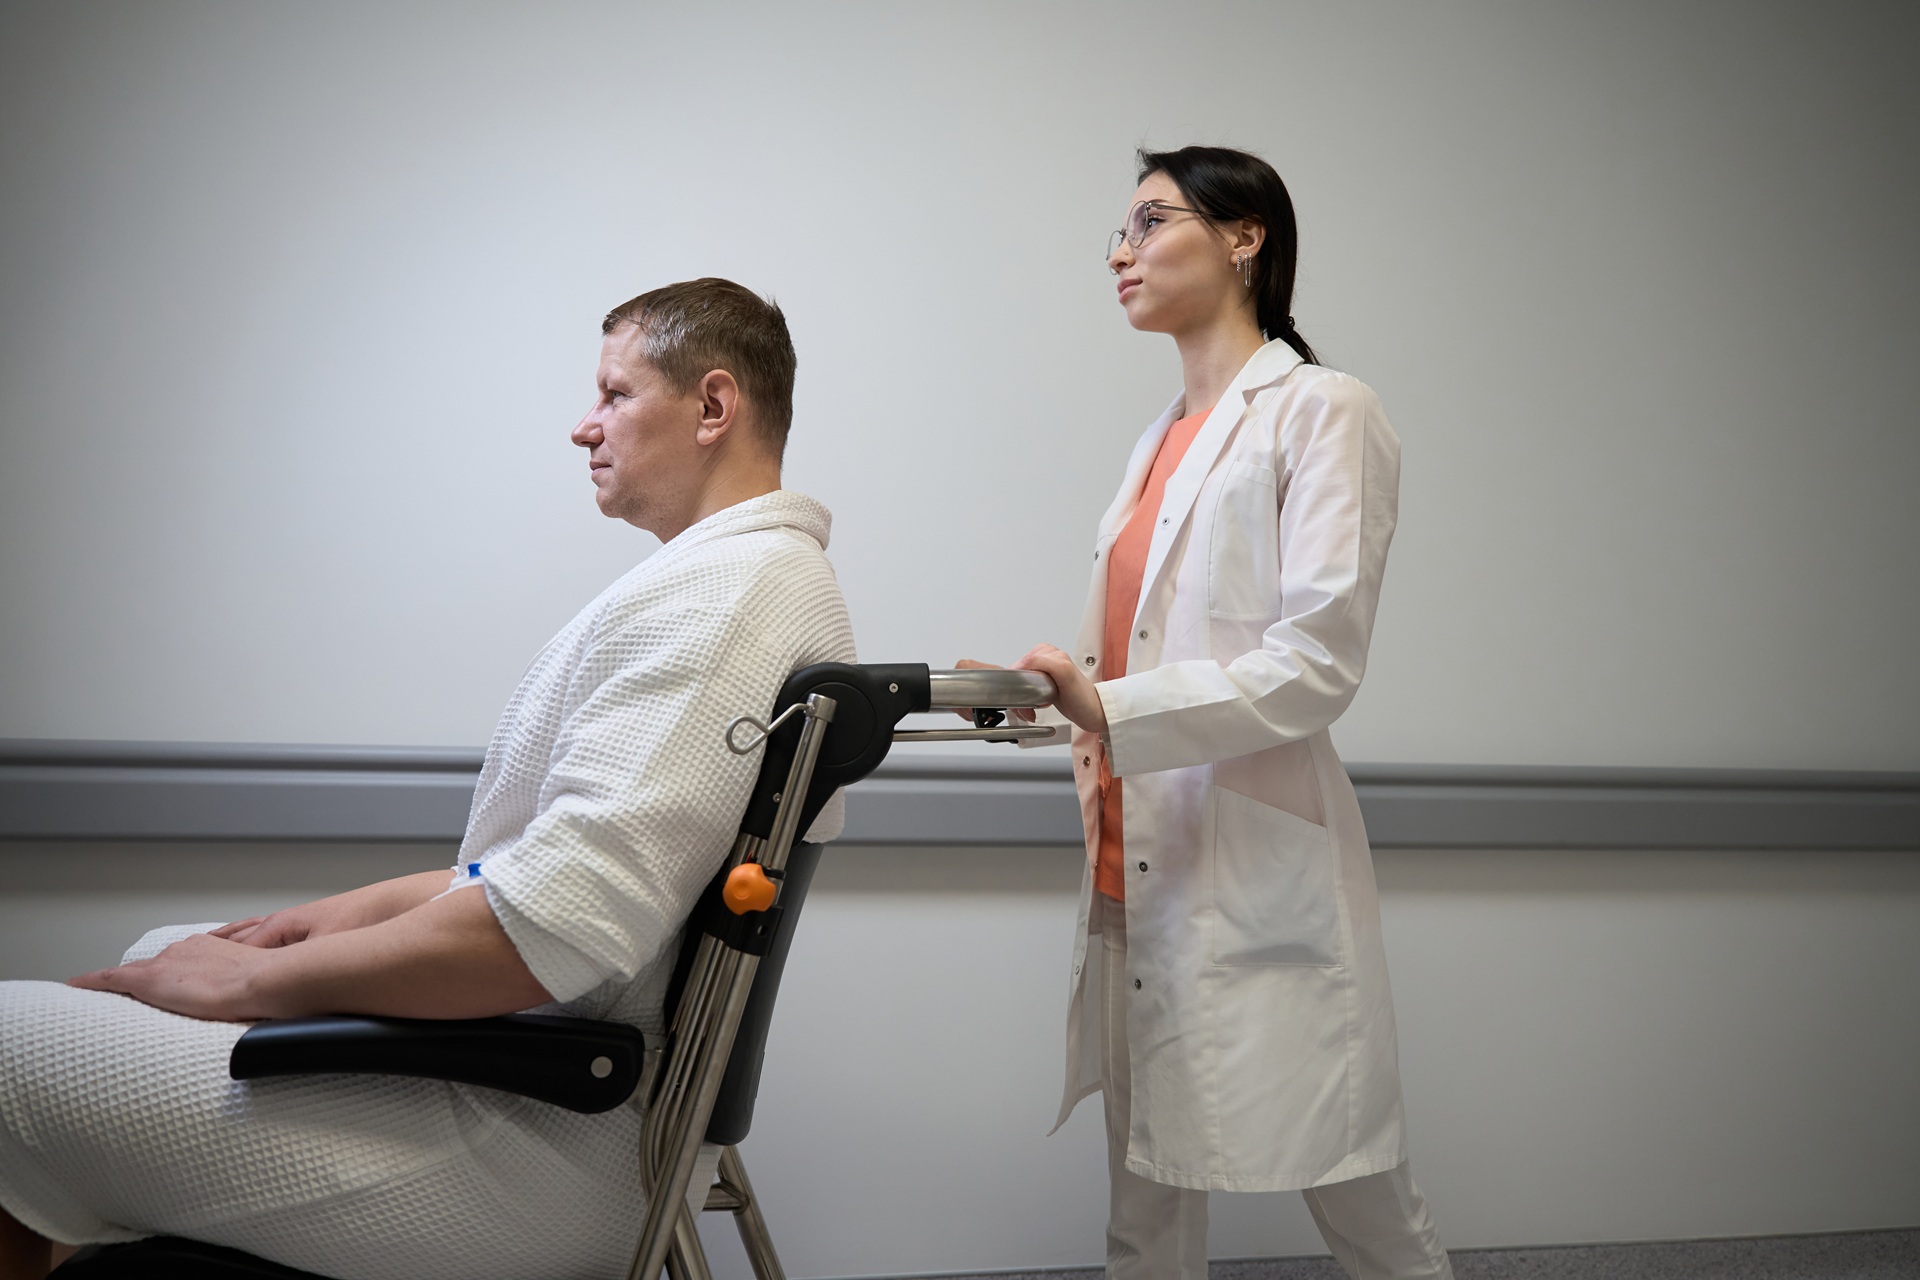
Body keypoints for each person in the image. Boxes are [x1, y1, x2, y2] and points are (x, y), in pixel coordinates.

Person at [0, 278, 856, 1280]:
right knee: (156, 961)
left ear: (713, 407)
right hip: (552, 1084)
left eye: (616, 394)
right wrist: (319, 921)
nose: (585, 426)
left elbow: (556, 923)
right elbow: (534, 873)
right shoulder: (744, 584)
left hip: (543, 1137)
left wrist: (259, 983)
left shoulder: (722, 602)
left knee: (13, 1040)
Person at [965, 146, 1452, 1279]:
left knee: (1359, 1188)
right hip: (1136, 861)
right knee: (1143, 1202)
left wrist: (1114, 701)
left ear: (1246, 238)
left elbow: (1318, 663)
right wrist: (1032, 698)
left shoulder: (1324, 410)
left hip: (1254, 866)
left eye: (1148, 220)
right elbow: (1126, 662)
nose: (1119, 251)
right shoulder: (1154, 444)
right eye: (1117, 232)